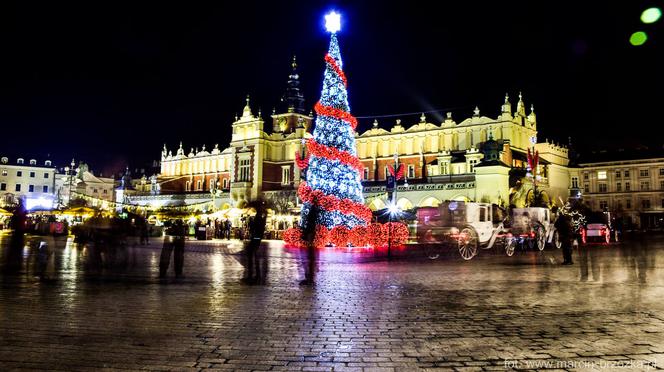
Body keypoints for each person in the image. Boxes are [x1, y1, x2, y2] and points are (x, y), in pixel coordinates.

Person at [243, 200, 267, 284]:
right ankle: (255, 275)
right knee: (253, 256)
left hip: (256, 238)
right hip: (256, 238)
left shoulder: (259, 217)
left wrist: (251, 224)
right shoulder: (260, 216)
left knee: (252, 255)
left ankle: (253, 275)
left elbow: (256, 228)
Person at [300, 205, 319, 286]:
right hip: (310, 244)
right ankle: (310, 278)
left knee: (309, 261)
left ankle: (309, 279)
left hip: (310, 244)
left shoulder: (310, 225)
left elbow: (309, 231)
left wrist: (309, 241)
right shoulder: (312, 224)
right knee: (309, 261)